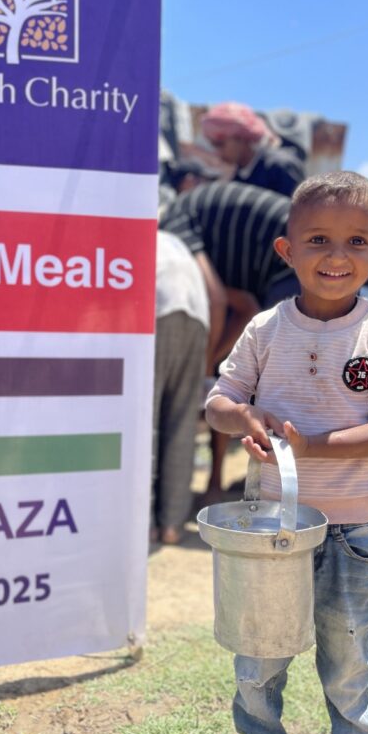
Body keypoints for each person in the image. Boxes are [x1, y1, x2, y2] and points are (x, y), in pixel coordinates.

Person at [206, 172, 368, 734]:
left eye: (357, 242)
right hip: (272, 531)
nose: (336, 255)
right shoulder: (265, 329)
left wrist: (310, 446)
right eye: (319, 239)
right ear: (287, 250)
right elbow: (219, 403)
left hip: (353, 533)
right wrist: (246, 417)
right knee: (257, 660)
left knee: (349, 663)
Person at [159, 181, 298, 498]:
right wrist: (211, 367)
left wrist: (203, 368)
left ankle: (273, 490)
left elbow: (217, 300)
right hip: (288, 262)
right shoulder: (200, 220)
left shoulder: (171, 226)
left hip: (295, 261)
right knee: (231, 384)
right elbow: (243, 304)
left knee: (272, 383)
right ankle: (215, 485)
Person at [150, 230, 210, 544]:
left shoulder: (141, 233)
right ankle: (172, 524)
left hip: (155, 310)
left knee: (145, 422)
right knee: (181, 422)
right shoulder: (178, 243)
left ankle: (144, 522)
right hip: (198, 316)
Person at [201, 101, 306, 198]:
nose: (218, 152)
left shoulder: (281, 167)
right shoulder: (237, 178)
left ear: (241, 137)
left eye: (220, 144)